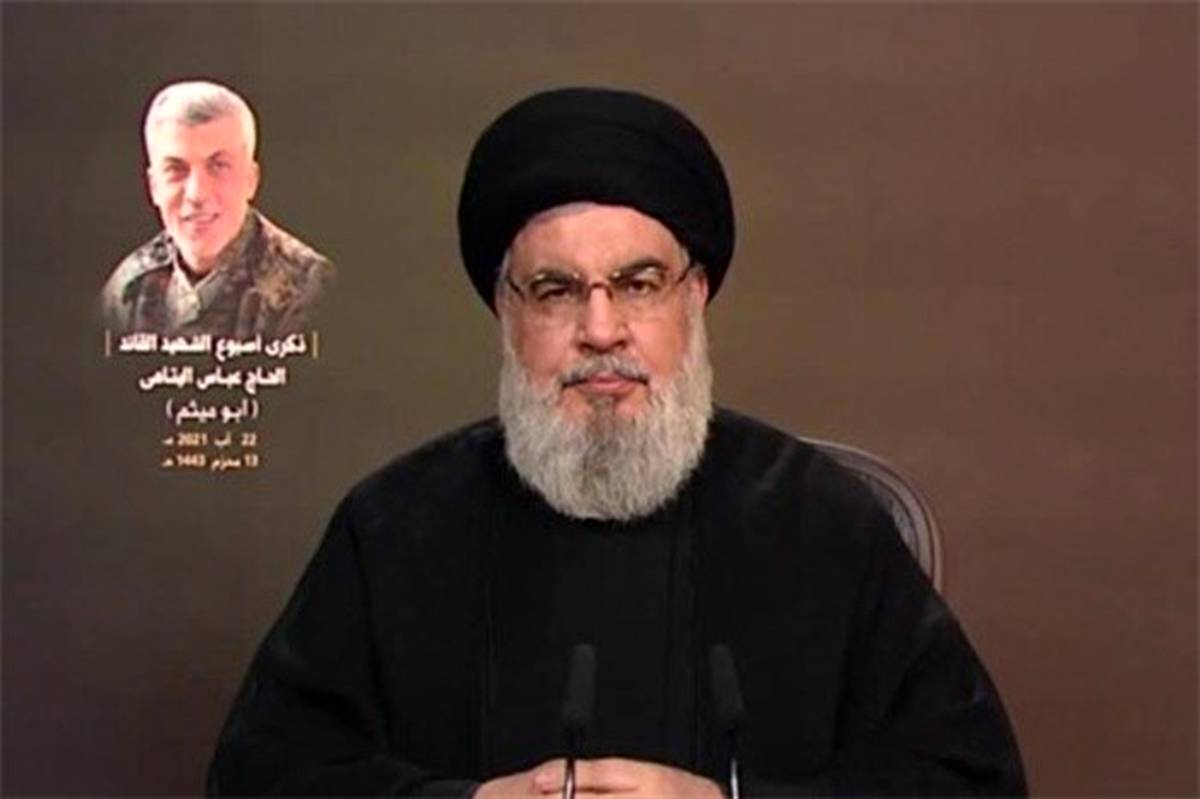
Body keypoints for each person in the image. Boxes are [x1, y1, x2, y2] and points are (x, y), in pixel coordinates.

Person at [207, 87, 1026, 796]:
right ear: (507, 311)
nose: (601, 329)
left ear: (694, 298)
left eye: (638, 283)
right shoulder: (395, 528)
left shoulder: (820, 521)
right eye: (556, 290)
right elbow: (263, 774)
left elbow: (969, 780)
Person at [99, 80, 333, 337]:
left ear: (251, 180)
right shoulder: (128, 288)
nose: (197, 193)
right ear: (154, 187)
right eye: (176, 169)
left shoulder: (309, 290)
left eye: (218, 166)